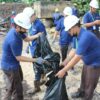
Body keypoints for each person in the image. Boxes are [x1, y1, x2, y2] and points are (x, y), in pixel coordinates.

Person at [1, 12, 46, 100]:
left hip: (13, 64)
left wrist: (36, 35)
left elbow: (27, 39)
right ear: (18, 26)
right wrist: (36, 60)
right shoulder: (13, 39)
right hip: (10, 67)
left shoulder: (18, 30)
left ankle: (10, 90)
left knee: (17, 81)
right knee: (18, 91)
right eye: (25, 28)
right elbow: (19, 57)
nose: (26, 30)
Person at [56, 15, 100, 100]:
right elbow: (74, 49)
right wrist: (65, 62)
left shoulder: (85, 36)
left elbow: (77, 57)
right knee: (84, 79)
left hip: (95, 63)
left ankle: (87, 97)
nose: (68, 32)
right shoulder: (76, 35)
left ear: (75, 27)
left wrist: (64, 70)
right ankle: (81, 92)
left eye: (69, 29)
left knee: (90, 84)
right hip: (87, 61)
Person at [23, 7, 47, 94]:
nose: (28, 20)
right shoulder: (31, 24)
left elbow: (44, 38)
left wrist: (41, 51)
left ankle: (37, 87)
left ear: (33, 15)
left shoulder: (39, 24)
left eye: (29, 18)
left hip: (38, 51)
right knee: (38, 67)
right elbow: (29, 36)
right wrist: (28, 47)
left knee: (37, 69)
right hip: (32, 49)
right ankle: (42, 79)